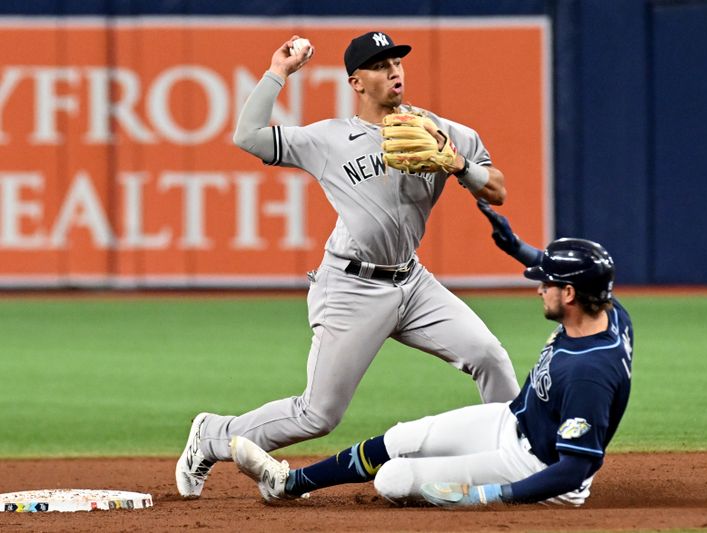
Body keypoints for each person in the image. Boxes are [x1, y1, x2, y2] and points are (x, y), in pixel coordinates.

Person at [175, 32, 521, 498]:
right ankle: (212, 434)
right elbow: (248, 137)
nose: (394, 71)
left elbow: (496, 189)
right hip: (350, 286)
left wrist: (459, 164)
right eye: (380, 65)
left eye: (397, 61)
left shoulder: (441, 131)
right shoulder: (330, 139)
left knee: (489, 356)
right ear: (356, 82)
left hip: (413, 283)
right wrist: (279, 72)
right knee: (318, 414)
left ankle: (521, 453)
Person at [228, 203, 634, 507]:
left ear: (569, 295)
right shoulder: (609, 314)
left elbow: (574, 470)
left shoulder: (589, 372)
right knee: (404, 435)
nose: (538, 287)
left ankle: (453, 488)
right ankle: (286, 484)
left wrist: (491, 494)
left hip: (538, 469)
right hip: (512, 422)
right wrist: (520, 250)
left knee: (393, 479)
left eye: (546, 282)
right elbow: (583, 279)